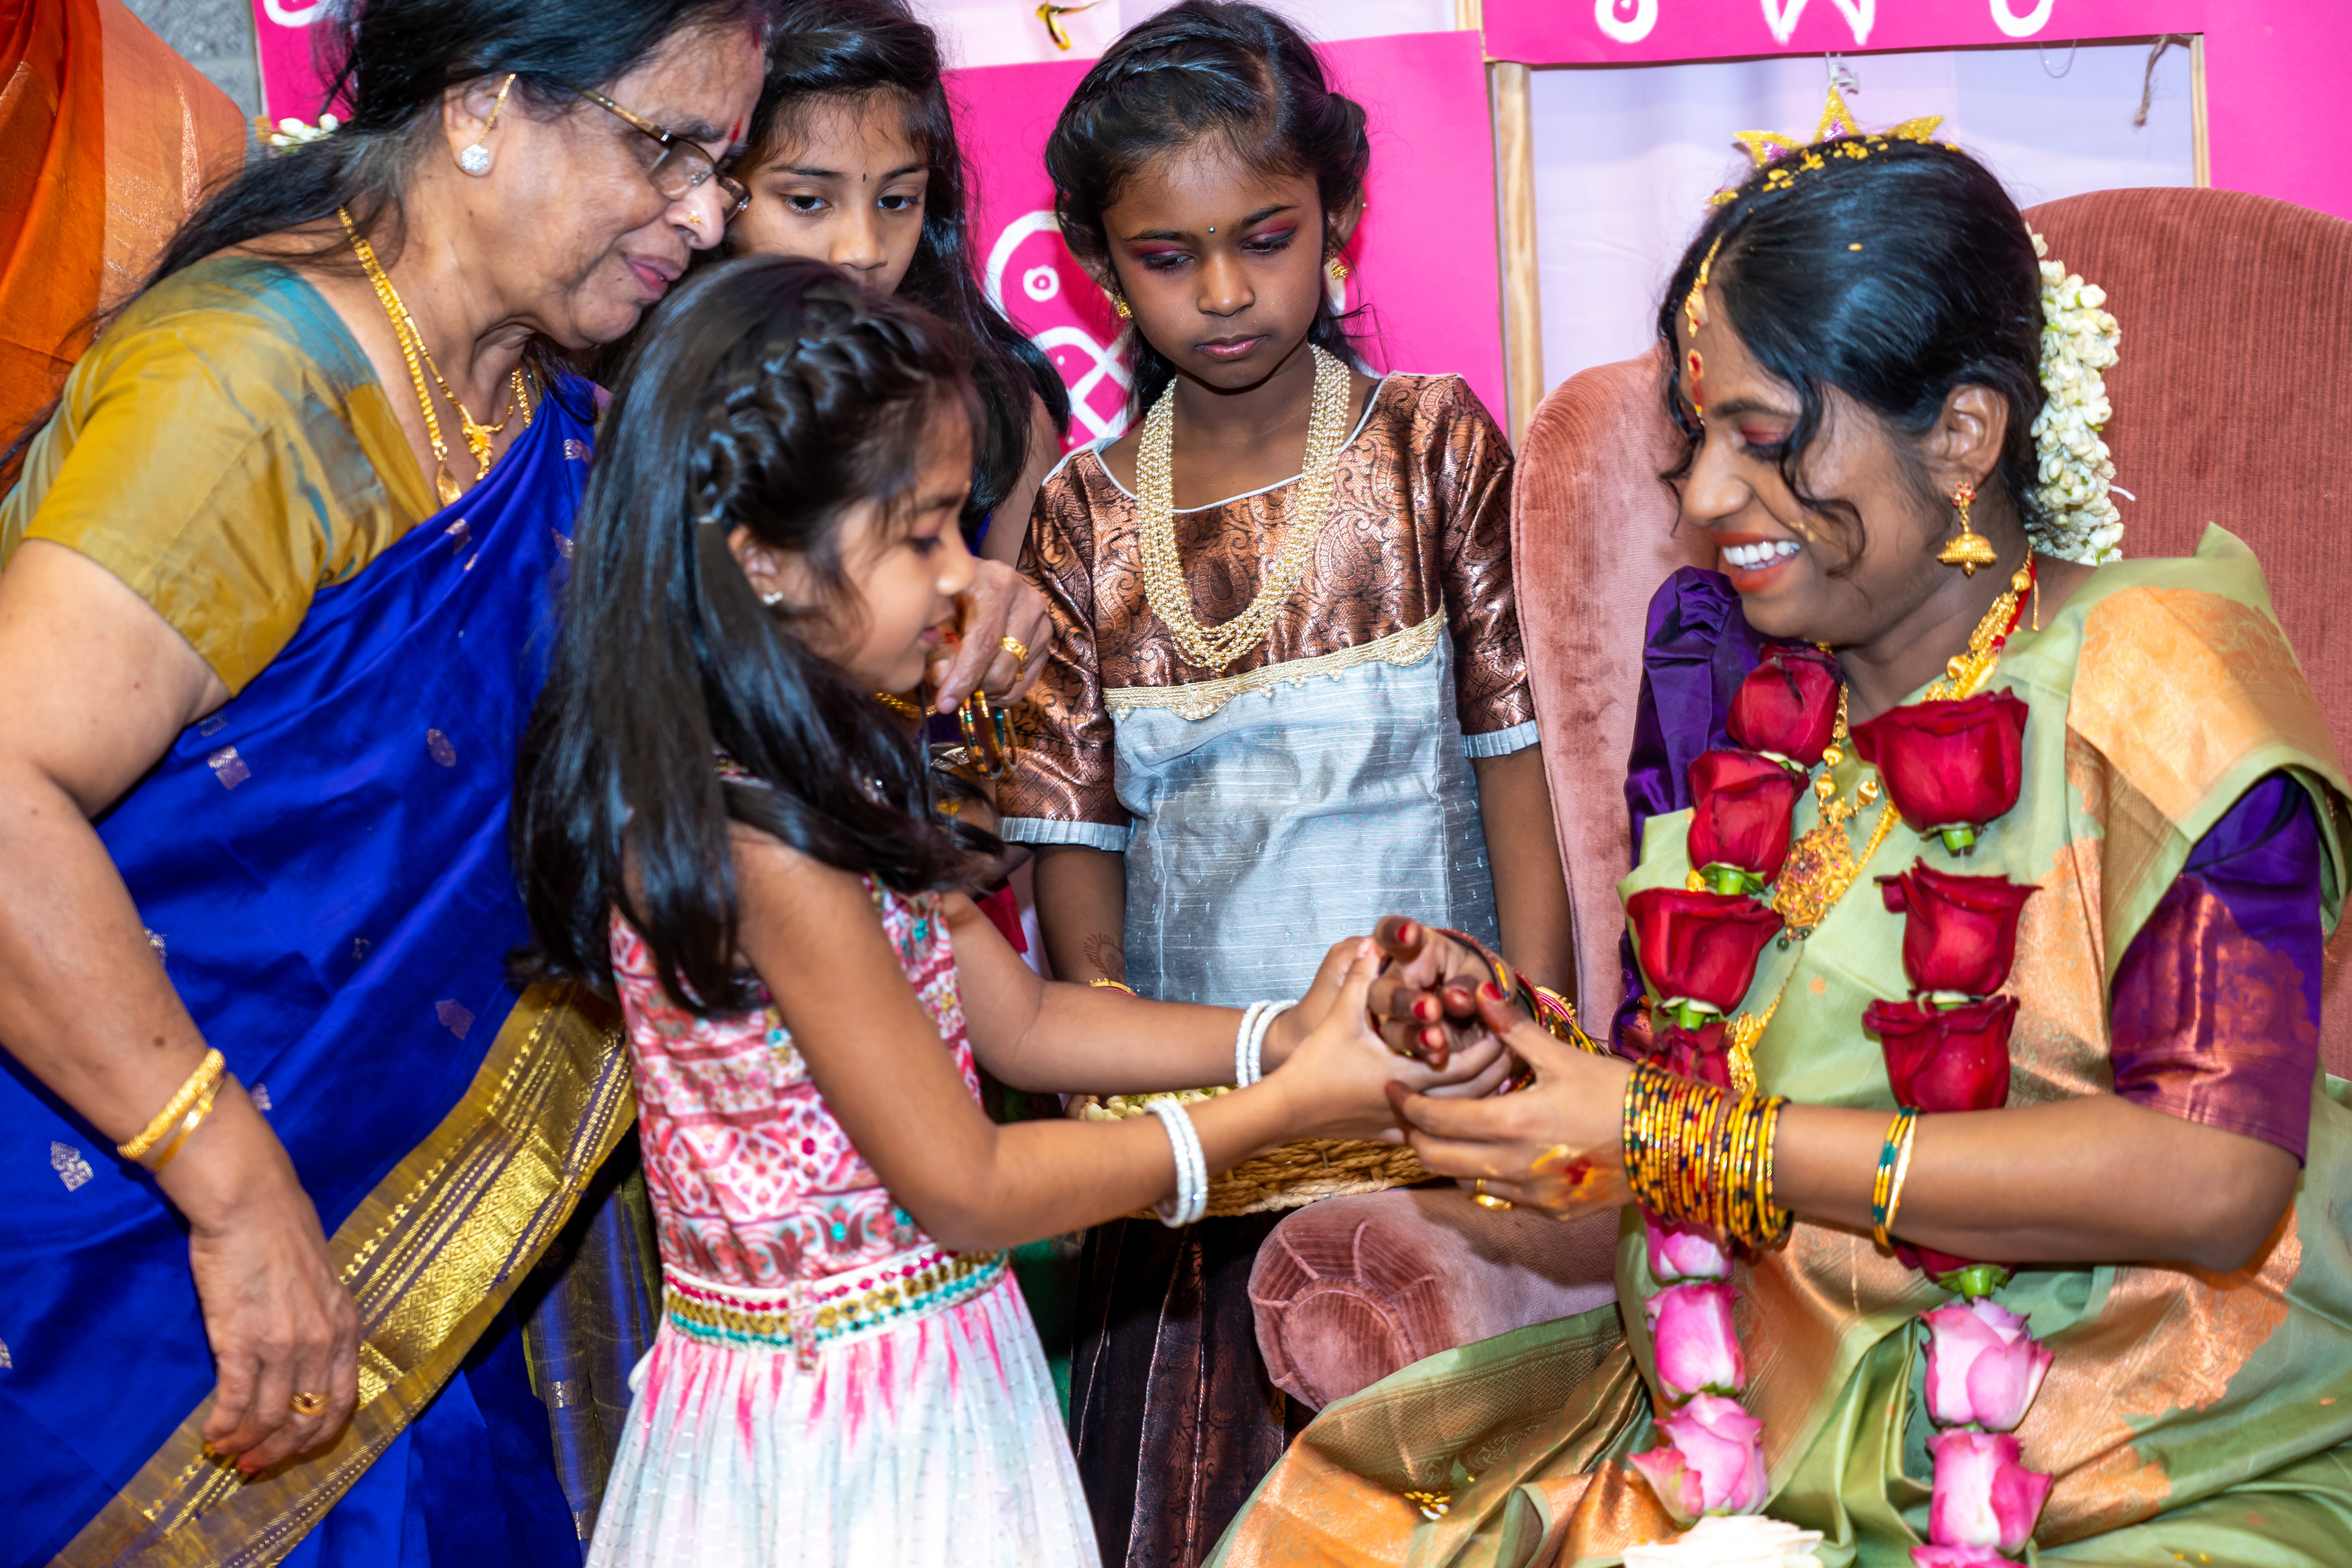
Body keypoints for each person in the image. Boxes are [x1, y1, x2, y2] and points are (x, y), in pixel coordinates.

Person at [1215, 134, 2352, 1567]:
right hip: (1751, 1436)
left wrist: (1675, 1135)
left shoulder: (2159, 682)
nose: (1701, 497)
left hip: (2146, 1451)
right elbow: (1690, 1086)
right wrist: (1517, 1059)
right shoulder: (1734, 700)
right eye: (1695, 437)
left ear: (1963, 435)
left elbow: (2217, 1176)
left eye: (1764, 439)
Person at [507, 254, 1511, 1567]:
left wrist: (1279, 1032)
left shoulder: (828, 772)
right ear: (763, 562)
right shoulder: (761, 845)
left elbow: (1023, 1022)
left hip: (936, 1369)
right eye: (922, 533)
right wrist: (1288, 1107)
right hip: (846, 1443)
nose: (960, 577)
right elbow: (971, 1186)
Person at [0, 1, 769, 1559]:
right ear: (484, 108)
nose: (704, 215)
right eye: (669, 148)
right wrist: (231, 1187)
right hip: (127, 1258)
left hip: (373, 1260)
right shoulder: (250, 387)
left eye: (725, 167)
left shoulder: (542, 412)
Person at [995, 4, 1576, 1559]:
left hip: (1438, 1125)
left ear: (1338, 216)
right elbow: (1075, 875)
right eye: (1167, 256)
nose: (1225, 291)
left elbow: (1514, 777)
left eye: (1266, 238)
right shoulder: (1081, 519)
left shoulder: (1429, 445)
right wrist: (1136, 1123)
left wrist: (1531, 1051)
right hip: (1200, 1163)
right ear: (1095, 264)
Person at [725, 0, 1071, 570]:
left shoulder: (999, 412)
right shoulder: (618, 401)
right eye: (807, 201)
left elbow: (1029, 623)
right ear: (718, 190)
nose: (863, 250)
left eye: (895, 201)